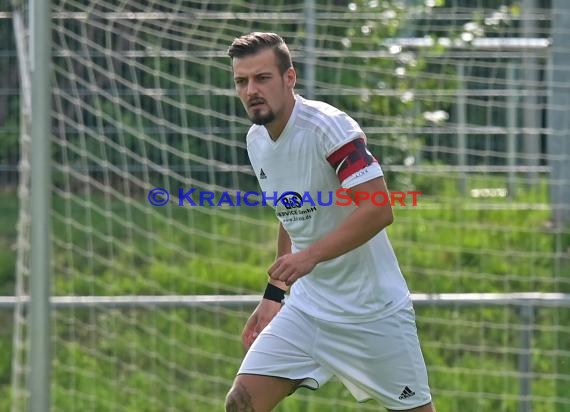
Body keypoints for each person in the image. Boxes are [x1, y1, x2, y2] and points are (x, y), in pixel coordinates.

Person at [225, 32, 436, 412]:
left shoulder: (328, 127)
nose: (251, 90)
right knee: (242, 403)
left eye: (263, 78)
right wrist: (274, 295)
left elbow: (378, 209)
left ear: (290, 78)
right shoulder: (256, 140)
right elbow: (291, 212)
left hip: (371, 312)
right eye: (242, 81)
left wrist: (311, 258)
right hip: (307, 309)